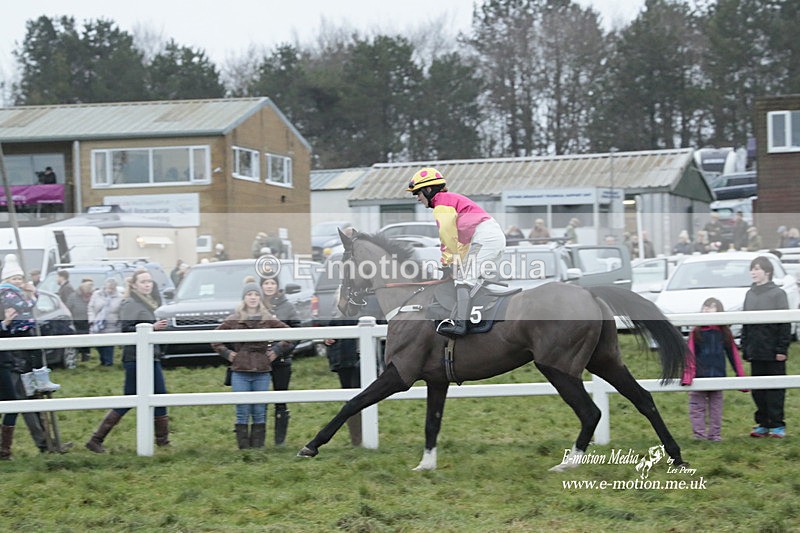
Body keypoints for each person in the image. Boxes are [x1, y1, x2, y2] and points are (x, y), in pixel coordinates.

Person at [406, 167, 506, 337]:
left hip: (485, 238)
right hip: (489, 237)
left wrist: (447, 263)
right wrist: (455, 263)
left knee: (463, 279)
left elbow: (448, 237)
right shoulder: (449, 201)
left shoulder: (442, 204)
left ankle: (460, 324)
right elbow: (461, 244)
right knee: (471, 278)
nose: (417, 198)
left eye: (418, 193)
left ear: (428, 190)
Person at [85, 269, 171, 453]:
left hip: (150, 356)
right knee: (136, 397)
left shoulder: (148, 302)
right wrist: (153, 327)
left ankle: (162, 441)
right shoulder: (131, 303)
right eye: (143, 282)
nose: (147, 285)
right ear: (134, 285)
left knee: (156, 396)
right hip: (136, 358)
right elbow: (126, 328)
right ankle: (96, 439)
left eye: (149, 281)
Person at [210, 280, 293, 449]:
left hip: (262, 370)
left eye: (256, 294)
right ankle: (244, 449)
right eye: (249, 294)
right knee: (242, 410)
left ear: (260, 298)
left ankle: (257, 448)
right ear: (244, 298)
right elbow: (214, 338)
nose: (253, 297)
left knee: (259, 410)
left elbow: (290, 334)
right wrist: (228, 354)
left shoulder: (268, 318)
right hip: (240, 370)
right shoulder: (234, 319)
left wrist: (276, 351)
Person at [681, 298, 746, 441]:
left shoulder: (725, 333)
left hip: (718, 376)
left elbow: (734, 355)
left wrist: (741, 377)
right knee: (696, 407)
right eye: (705, 307)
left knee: (716, 408)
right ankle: (699, 434)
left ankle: (715, 435)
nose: (707, 309)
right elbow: (690, 355)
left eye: (711, 307)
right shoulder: (696, 332)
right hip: (699, 377)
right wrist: (688, 377)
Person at [741, 256, 791, 438]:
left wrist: (781, 349)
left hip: (773, 352)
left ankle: (777, 425)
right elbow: (745, 322)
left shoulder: (778, 294)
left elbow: (785, 324)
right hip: (755, 351)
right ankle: (762, 423)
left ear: (767, 272)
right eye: (752, 269)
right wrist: (745, 346)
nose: (753, 272)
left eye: (757, 269)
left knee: (775, 390)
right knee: (758, 390)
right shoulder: (749, 294)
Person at [0, 254, 38, 460]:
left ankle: (5, 450)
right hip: (5, 359)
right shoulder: (6, 297)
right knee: (13, 403)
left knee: (14, 403)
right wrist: (4, 324)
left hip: (8, 359)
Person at [260, 274, 300, 445]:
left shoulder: (288, 306)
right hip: (259, 361)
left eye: (272, 283)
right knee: (259, 401)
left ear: (277, 286)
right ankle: (258, 441)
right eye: (266, 283)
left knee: (280, 400)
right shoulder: (255, 305)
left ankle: (279, 441)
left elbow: (297, 332)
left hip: (282, 360)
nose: (269, 286)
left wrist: (278, 350)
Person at [88, 278, 122, 366]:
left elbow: (120, 312)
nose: (110, 290)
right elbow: (91, 308)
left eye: (112, 289)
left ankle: (108, 363)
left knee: (108, 346)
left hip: (111, 326)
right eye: (108, 288)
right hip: (97, 324)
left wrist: (118, 326)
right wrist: (91, 320)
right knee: (99, 344)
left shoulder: (119, 297)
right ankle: (103, 361)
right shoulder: (96, 294)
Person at [66, 279, 94, 362]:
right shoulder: (73, 297)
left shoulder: (93, 296)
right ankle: (75, 356)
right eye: (87, 292)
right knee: (76, 339)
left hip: (88, 322)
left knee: (87, 340)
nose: (88, 294)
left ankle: (86, 356)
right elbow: (68, 309)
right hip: (76, 322)